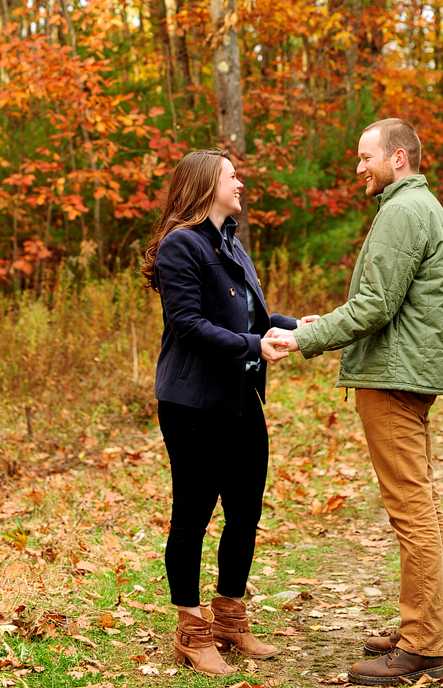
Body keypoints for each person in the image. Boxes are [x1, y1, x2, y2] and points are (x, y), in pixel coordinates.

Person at [268, 119, 443, 687]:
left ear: (398, 158)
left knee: (411, 510)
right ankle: (421, 626)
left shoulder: (401, 213)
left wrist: (306, 338)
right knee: (419, 503)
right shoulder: (423, 207)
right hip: (406, 372)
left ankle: (423, 647)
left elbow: (374, 305)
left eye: (365, 157)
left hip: (393, 377)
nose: (358, 168)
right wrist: (321, 323)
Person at [143, 148, 313, 675]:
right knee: (193, 514)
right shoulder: (181, 246)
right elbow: (189, 325)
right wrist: (252, 347)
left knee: (245, 510)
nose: (240, 183)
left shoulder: (231, 243)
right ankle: (192, 632)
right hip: (192, 403)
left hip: (240, 399)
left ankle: (230, 620)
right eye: (232, 177)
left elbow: (254, 318)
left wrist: (305, 327)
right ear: (204, 185)